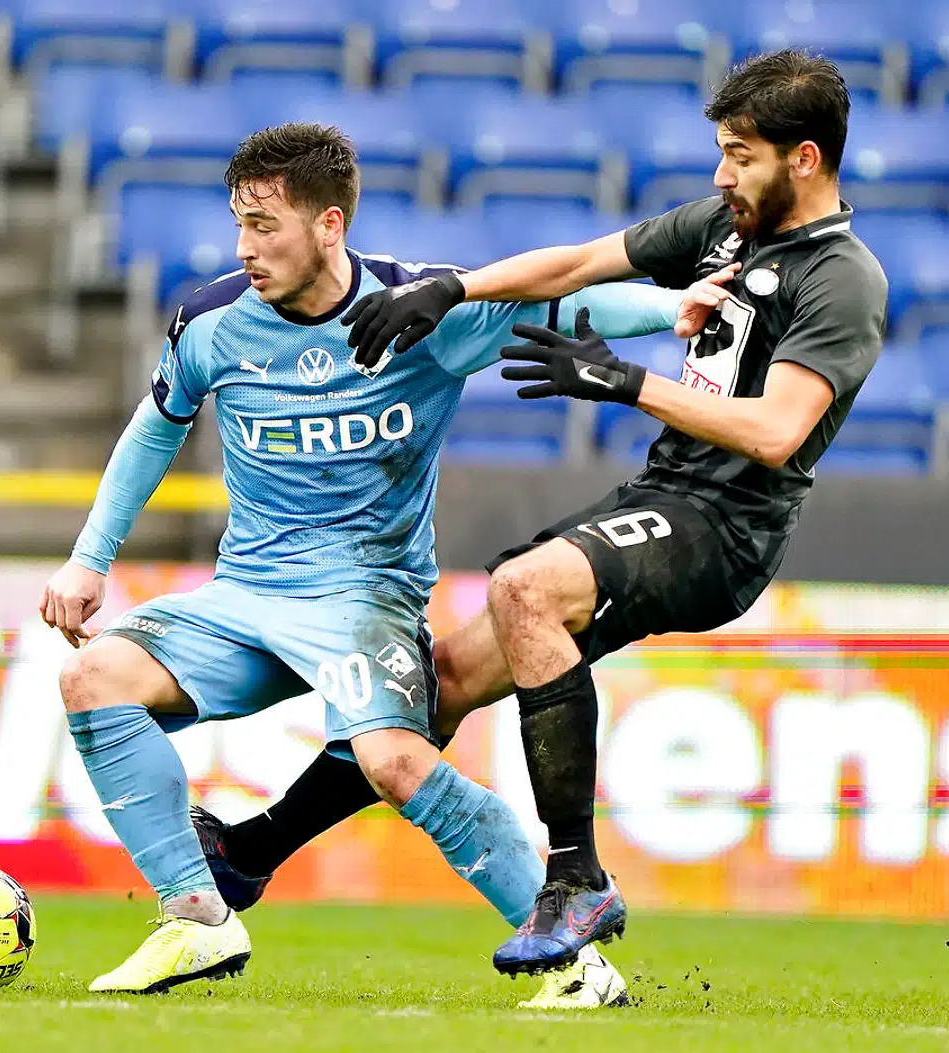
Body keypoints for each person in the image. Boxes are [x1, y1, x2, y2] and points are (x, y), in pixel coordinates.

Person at [193, 49, 889, 994]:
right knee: (437, 681)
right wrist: (456, 288)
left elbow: (777, 431)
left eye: (741, 156)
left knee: (526, 586)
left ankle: (575, 877)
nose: (722, 176)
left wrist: (625, 380)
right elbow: (574, 264)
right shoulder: (725, 230)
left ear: (804, 158)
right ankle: (252, 850)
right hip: (661, 499)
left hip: (727, 527)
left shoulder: (843, 278)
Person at [40, 122, 725, 996]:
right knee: (93, 678)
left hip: (367, 593)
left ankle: (579, 965)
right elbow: (157, 424)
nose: (245, 248)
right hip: (247, 594)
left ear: (329, 226)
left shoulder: (415, 313)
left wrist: (672, 310)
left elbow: (547, 306)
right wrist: (88, 558)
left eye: (266, 226)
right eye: (239, 224)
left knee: (394, 762)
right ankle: (197, 921)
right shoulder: (212, 322)